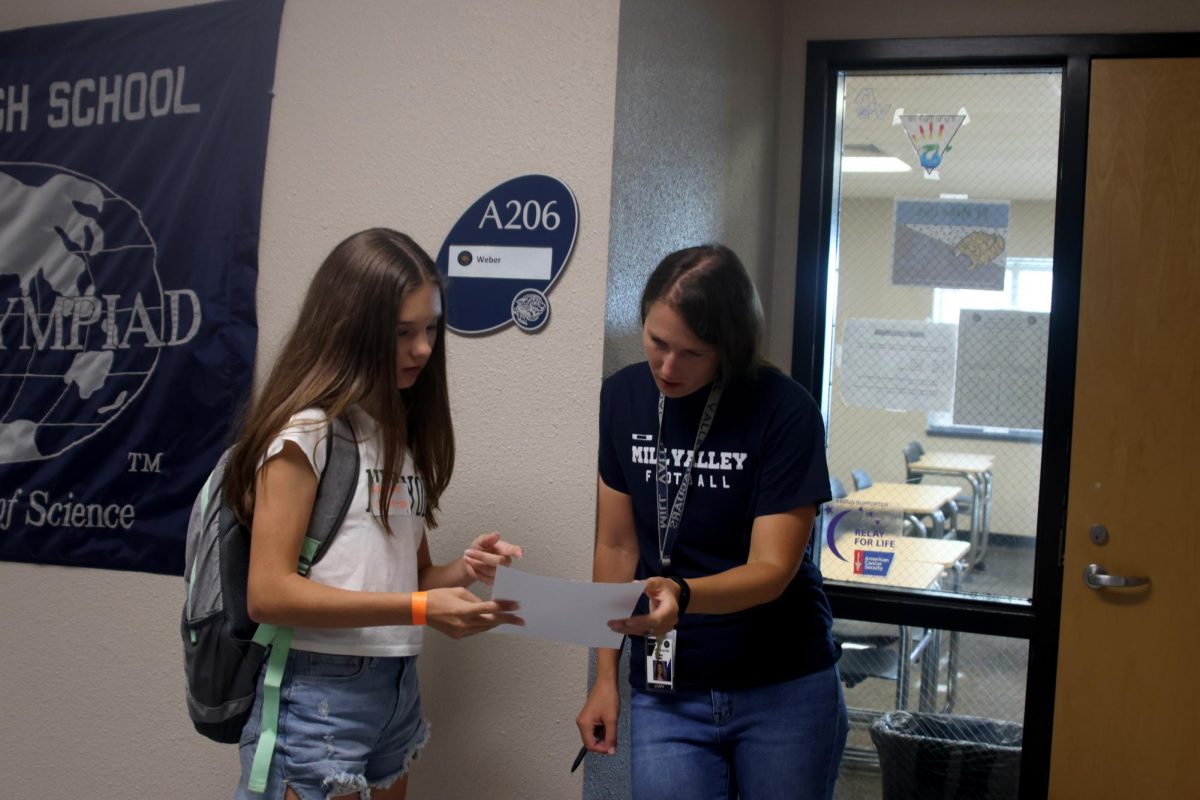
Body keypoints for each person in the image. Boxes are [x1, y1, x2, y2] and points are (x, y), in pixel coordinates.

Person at [226, 228, 524, 800]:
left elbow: (408, 578)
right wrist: (417, 606)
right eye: (402, 333)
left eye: (432, 328)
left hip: (397, 688)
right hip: (317, 690)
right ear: (351, 331)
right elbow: (267, 593)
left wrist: (465, 570)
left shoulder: (398, 436)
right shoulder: (307, 435)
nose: (423, 349)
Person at [575, 244, 848, 800]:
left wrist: (680, 592)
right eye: (657, 343)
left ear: (729, 348)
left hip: (781, 684)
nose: (667, 368)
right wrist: (604, 677)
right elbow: (616, 544)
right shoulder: (623, 397)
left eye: (692, 353)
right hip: (667, 688)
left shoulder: (784, 411)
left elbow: (771, 569)